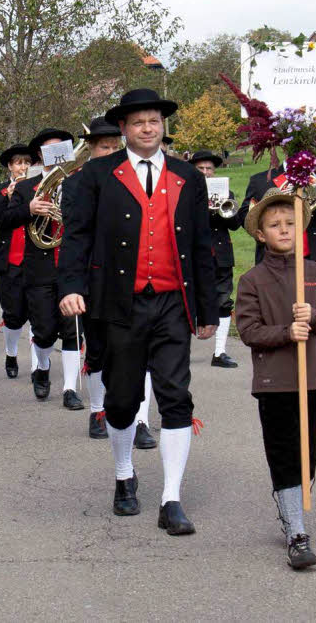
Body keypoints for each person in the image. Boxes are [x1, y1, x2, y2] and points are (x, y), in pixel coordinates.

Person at [58, 88, 218, 532]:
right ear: (124, 129)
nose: (148, 128)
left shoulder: (189, 176)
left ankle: (171, 498)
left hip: (172, 301)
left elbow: (201, 245)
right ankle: (124, 475)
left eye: (154, 121)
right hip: (117, 303)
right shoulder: (96, 175)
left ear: (163, 126)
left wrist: (208, 308)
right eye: (138, 122)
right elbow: (77, 236)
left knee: (175, 396)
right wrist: (71, 286)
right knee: (123, 398)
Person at [236, 189, 316, 569]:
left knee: (308, 454)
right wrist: (286, 332)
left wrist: (311, 317)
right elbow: (248, 331)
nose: (284, 230)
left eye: (290, 224)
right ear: (261, 234)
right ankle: (297, 532)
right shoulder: (251, 280)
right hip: (275, 384)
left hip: (314, 380)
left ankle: (293, 503)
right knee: (284, 454)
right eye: (275, 225)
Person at [61, 116, 163, 444]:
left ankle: (141, 420)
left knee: (142, 352)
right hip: (96, 276)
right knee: (99, 352)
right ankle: (97, 410)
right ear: (90, 148)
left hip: (136, 277)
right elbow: (75, 234)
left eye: (113, 145)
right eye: (103, 146)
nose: (110, 151)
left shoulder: (135, 175)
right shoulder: (77, 181)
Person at [0, 128, 83, 410]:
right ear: (40, 155)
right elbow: (6, 220)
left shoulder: (80, 184)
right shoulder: (26, 188)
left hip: (72, 267)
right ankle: (43, 366)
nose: (57, 153)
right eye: (50, 149)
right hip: (38, 269)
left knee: (73, 331)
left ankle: (70, 388)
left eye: (62, 148)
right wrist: (29, 209)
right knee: (44, 330)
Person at [238, 157, 316, 271]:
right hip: (273, 258)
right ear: (284, 147)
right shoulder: (260, 180)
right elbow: (246, 216)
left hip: (314, 257)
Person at [0, 144, 34, 379]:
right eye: (18, 162)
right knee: (13, 315)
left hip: (36, 260)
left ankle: (37, 365)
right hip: (9, 260)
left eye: (26, 162)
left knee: (39, 314)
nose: (22, 167)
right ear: (10, 167)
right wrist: (8, 197)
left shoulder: (39, 187)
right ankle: (11, 353)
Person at [190, 149, 241, 368]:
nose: (205, 172)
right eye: (200, 169)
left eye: (208, 168)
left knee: (223, 299)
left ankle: (219, 352)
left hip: (220, 254)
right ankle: (182, 351)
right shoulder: (185, 191)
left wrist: (220, 207)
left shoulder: (226, 193)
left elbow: (235, 223)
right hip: (192, 253)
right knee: (188, 300)